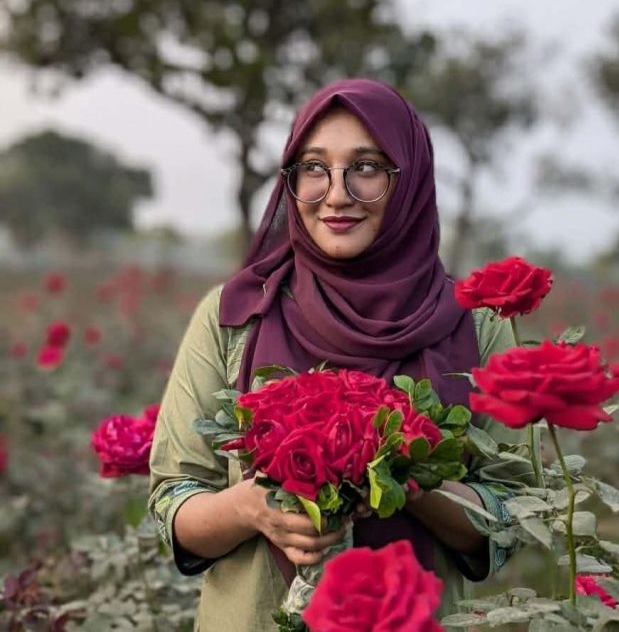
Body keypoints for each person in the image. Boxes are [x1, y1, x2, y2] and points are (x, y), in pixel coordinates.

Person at [148, 79, 532, 631]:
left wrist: (402, 472)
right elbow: (172, 503)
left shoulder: (476, 326)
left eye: (367, 168)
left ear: (411, 179)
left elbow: (514, 516)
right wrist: (250, 508)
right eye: (314, 168)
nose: (336, 194)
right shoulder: (234, 317)